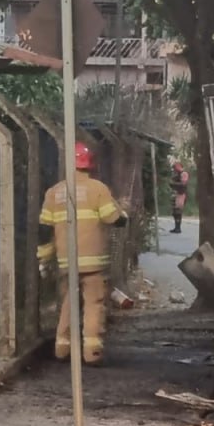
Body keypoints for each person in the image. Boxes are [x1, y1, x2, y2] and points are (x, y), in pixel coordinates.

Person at [38, 142, 128, 364]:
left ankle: (62, 348)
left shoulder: (54, 192)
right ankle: (92, 353)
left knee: (69, 302)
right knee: (93, 304)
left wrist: (43, 258)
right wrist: (123, 214)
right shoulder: (98, 189)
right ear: (91, 165)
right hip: (94, 262)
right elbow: (112, 218)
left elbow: (45, 230)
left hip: (66, 260)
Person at [170, 160, 190, 234]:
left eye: (175, 167)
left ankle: (178, 228)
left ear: (179, 166)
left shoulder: (183, 173)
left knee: (178, 211)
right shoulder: (177, 174)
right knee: (175, 211)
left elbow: (183, 184)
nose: (174, 169)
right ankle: (176, 227)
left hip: (181, 194)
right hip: (177, 193)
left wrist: (173, 183)